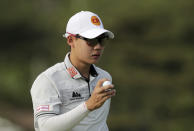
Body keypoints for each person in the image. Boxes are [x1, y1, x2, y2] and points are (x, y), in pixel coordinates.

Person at [30, 11, 116, 131]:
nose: (98, 47)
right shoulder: (48, 80)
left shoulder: (104, 77)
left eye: (102, 40)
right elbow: (46, 127)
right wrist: (88, 106)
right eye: (90, 40)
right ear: (70, 40)